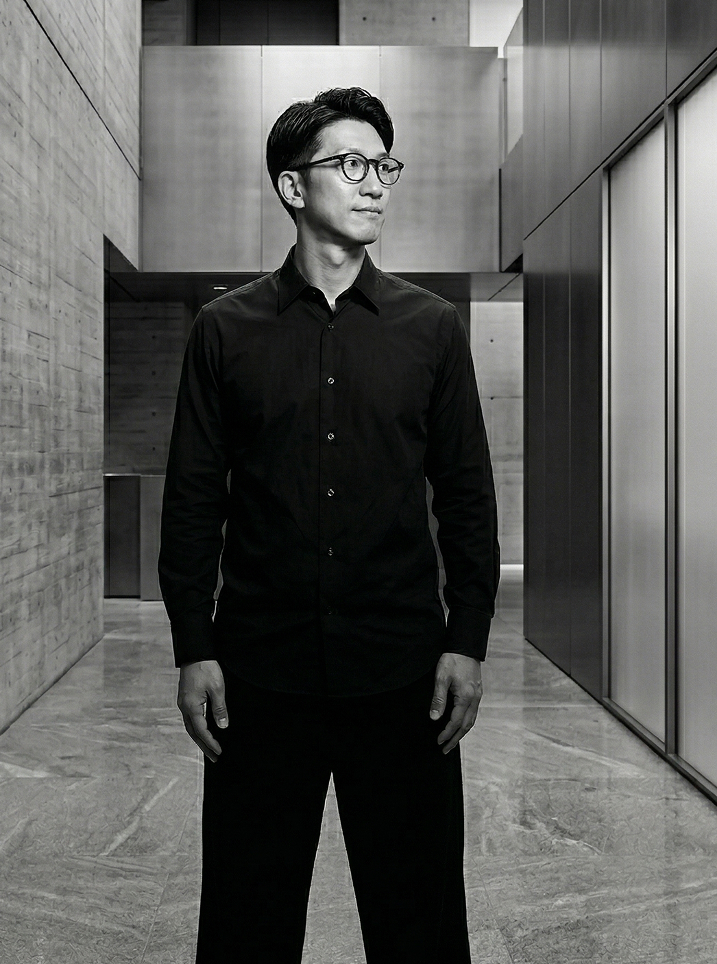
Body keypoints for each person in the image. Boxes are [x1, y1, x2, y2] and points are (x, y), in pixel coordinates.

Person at [158, 86, 500, 964]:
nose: (375, 182)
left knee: (420, 925)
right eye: (351, 164)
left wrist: (467, 639)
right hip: (258, 678)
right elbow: (194, 498)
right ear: (292, 186)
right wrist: (193, 645)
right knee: (246, 924)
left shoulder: (433, 329)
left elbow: (466, 494)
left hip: (405, 676)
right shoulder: (224, 330)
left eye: (384, 165)